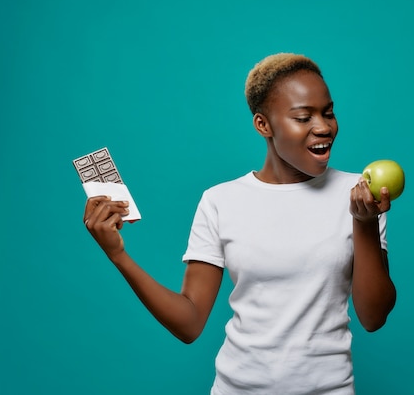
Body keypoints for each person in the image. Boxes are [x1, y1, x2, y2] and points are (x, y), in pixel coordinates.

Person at [83, 53, 397, 394]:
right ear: (263, 125)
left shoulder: (357, 196)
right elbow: (189, 322)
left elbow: (373, 317)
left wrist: (364, 222)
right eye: (303, 117)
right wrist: (119, 256)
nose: (323, 127)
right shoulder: (220, 201)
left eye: (328, 112)